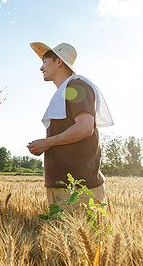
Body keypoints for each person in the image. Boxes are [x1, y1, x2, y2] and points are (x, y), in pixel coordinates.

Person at [27, 42, 113, 213]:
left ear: (58, 61)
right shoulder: (65, 90)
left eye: (44, 62)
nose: (41, 68)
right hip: (63, 186)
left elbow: (84, 128)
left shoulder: (77, 86)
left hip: (77, 187)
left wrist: (47, 143)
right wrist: (46, 144)